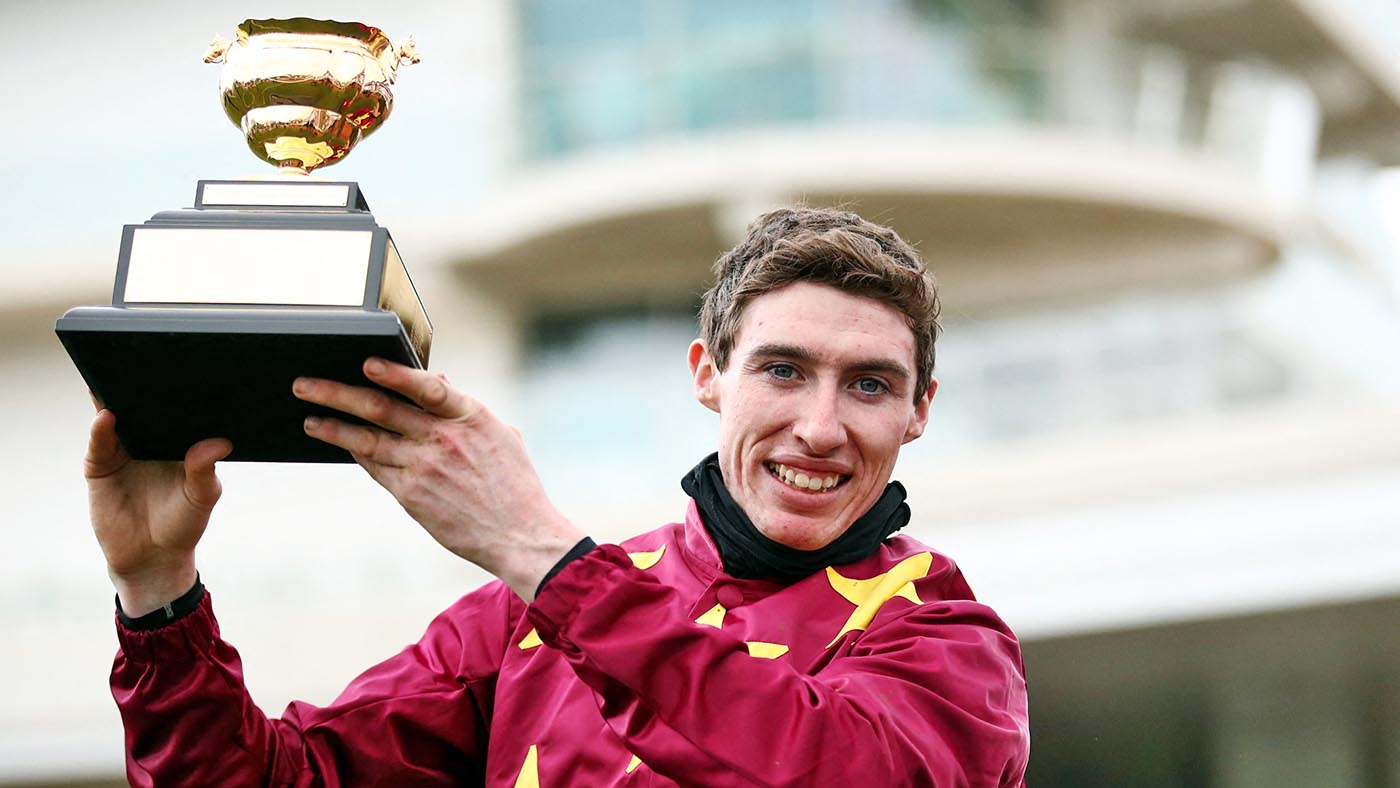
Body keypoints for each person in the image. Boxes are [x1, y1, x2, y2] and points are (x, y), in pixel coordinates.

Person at [88, 207, 1031, 786]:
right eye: (783, 371)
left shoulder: (951, 644)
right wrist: (158, 593)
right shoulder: (517, 620)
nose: (821, 427)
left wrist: (544, 557)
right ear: (709, 376)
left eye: (869, 384)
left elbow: (818, 772)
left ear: (919, 411)